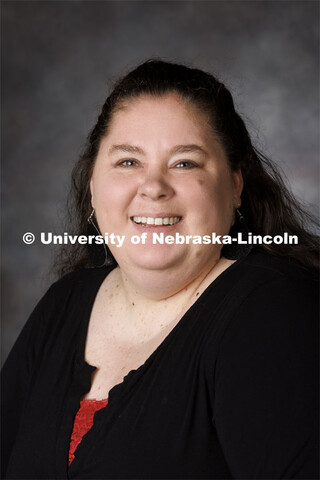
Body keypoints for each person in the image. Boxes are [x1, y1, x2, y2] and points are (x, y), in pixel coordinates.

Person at [1, 60, 318, 480]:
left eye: (185, 163)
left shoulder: (271, 312)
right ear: (94, 184)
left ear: (235, 187)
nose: (153, 186)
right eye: (128, 162)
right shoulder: (67, 300)